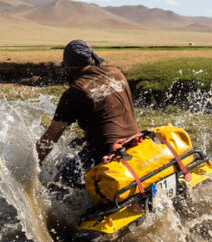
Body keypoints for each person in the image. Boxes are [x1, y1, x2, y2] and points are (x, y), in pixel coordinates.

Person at [36, 40, 140, 187]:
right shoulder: (116, 72)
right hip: (135, 139)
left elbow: (51, 137)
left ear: (68, 68)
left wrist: (33, 162)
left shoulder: (75, 91)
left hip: (104, 152)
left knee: (57, 185)